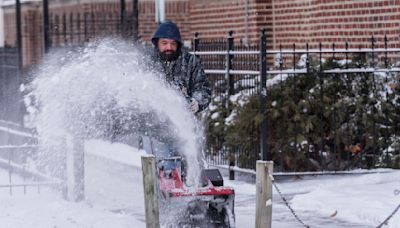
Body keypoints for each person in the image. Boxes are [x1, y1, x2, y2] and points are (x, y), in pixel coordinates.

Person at [150, 20, 211, 114]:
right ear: (157, 43)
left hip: (183, 120)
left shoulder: (190, 62)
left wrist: (196, 103)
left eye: (173, 43)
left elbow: (203, 89)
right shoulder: (147, 62)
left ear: (178, 45)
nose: (169, 47)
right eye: (164, 43)